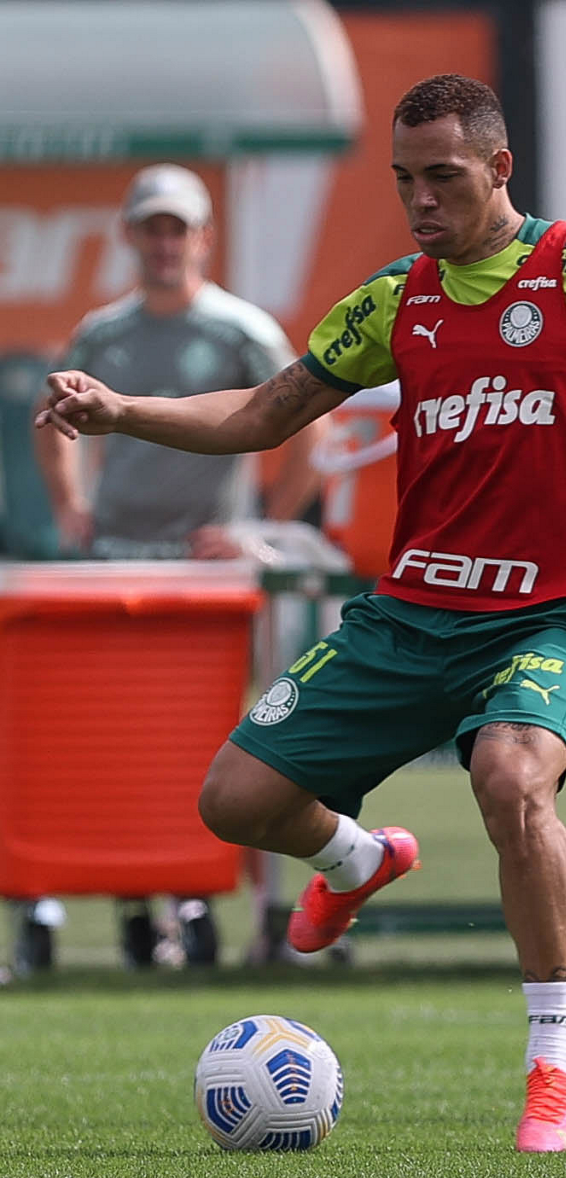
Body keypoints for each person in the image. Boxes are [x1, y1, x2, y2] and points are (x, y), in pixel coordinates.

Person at [35, 75, 566, 1152]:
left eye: (442, 176)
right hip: (411, 614)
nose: (420, 200)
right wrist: (121, 411)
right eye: (403, 180)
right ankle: (357, 859)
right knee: (235, 800)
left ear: (499, 168)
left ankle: (556, 1068)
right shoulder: (397, 298)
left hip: (554, 616)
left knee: (511, 779)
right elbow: (262, 413)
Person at [31, 162, 324, 970]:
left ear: (203, 237)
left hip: (206, 579)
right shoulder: (104, 331)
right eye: (152, 227)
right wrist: (70, 506)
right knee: (115, 746)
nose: (165, 243)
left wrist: (260, 525)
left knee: (211, 746)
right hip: (116, 567)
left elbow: (310, 422)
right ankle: (135, 902)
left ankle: (198, 899)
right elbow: (51, 416)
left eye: (178, 228)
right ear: (130, 235)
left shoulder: (239, 329)